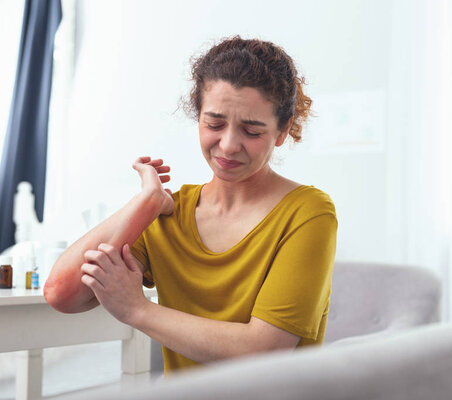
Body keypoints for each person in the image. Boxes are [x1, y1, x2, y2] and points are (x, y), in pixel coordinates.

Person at [43, 36, 338, 374]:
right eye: (214, 124)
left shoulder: (308, 212)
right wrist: (146, 202)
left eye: (252, 131)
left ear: (283, 131)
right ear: (197, 116)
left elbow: (263, 350)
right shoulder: (168, 212)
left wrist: (137, 310)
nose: (228, 145)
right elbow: (62, 294)